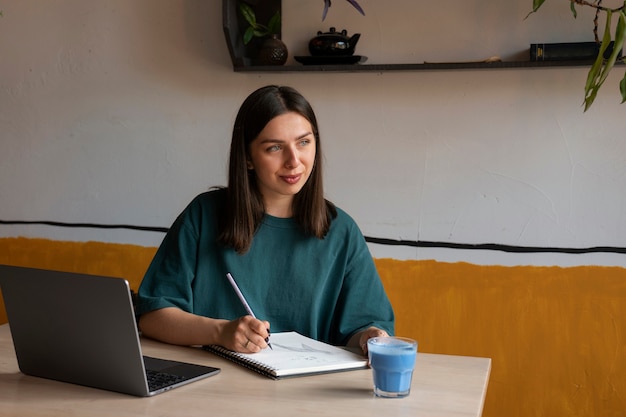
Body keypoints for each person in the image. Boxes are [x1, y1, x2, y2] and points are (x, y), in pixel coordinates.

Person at [136, 85, 394, 354]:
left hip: (305, 391)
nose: (294, 161)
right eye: (274, 148)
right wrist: (220, 332)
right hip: (214, 386)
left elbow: (360, 330)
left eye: (304, 142)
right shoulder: (203, 215)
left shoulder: (342, 231)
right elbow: (153, 316)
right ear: (248, 157)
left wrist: (369, 336)